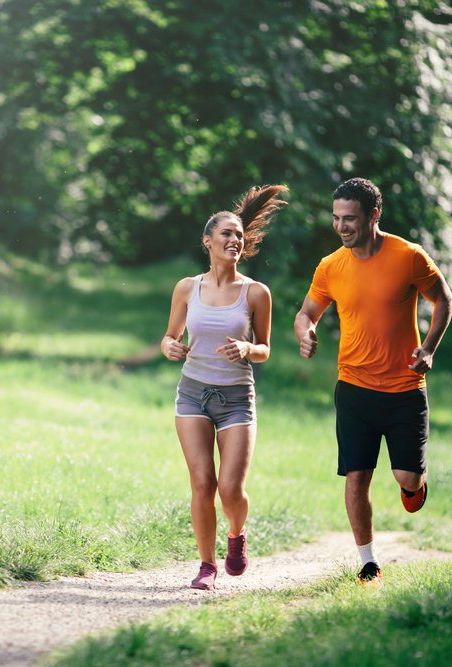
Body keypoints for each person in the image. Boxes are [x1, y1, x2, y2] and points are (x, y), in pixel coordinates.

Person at [294, 177, 452, 588]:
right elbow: (306, 312)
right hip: (353, 388)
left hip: (405, 389)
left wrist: (430, 348)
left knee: (407, 479)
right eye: (336, 218)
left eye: (350, 218)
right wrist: (305, 331)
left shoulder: (408, 256)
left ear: (373, 216)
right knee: (356, 476)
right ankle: (368, 562)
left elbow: (444, 300)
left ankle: (414, 484)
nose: (342, 226)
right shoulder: (331, 266)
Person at [161, 184, 288, 590]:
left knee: (231, 489)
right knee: (202, 483)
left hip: (236, 398)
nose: (235, 239)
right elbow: (170, 335)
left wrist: (249, 347)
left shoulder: (256, 293)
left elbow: (266, 349)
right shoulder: (186, 288)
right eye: (227, 233)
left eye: (239, 234)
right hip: (193, 392)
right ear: (208, 241)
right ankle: (206, 565)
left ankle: (236, 534)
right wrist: (169, 345)